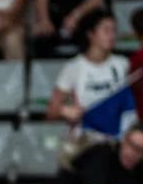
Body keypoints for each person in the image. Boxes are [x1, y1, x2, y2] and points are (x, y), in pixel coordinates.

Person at [48, 11, 135, 141]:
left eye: (114, 30)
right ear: (91, 35)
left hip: (118, 138)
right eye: (106, 30)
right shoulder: (73, 67)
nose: (112, 36)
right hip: (85, 140)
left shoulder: (123, 64)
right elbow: (51, 112)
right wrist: (65, 111)